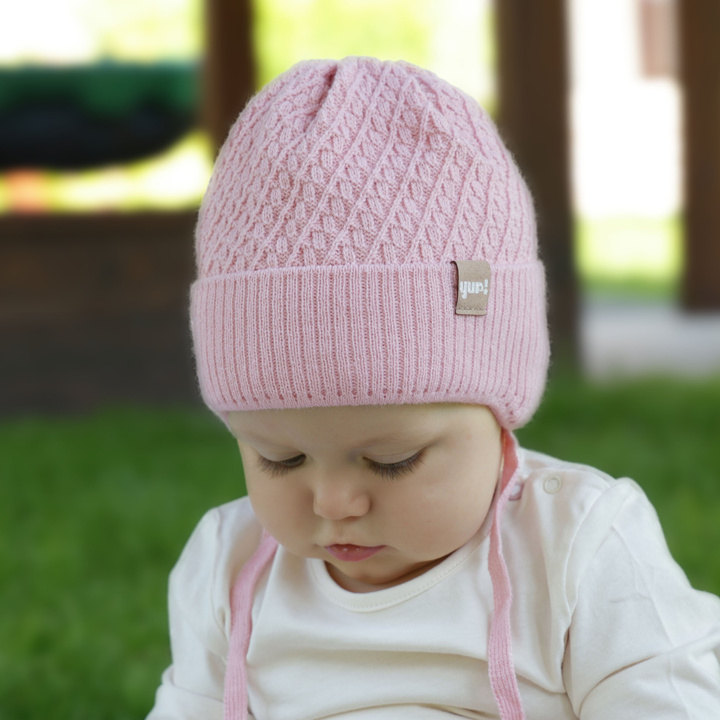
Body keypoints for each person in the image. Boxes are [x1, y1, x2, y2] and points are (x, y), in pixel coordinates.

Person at [146, 57, 720, 720]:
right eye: (280, 458)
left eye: (392, 460)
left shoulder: (578, 546)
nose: (334, 501)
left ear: (498, 414)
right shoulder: (228, 565)